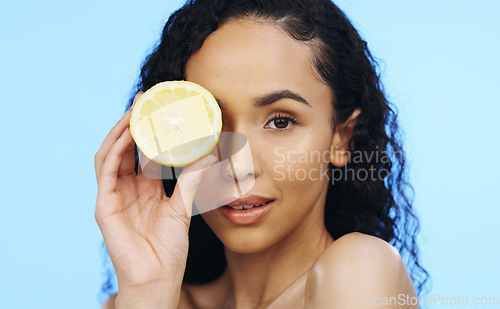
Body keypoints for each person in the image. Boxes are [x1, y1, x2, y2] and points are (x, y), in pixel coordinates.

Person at [94, 0, 428, 308]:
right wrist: (148, 291)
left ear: (342, 138)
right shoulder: (138, 300)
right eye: (212, 125)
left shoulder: (360, 269)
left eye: (281, 122)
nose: (238, 166)